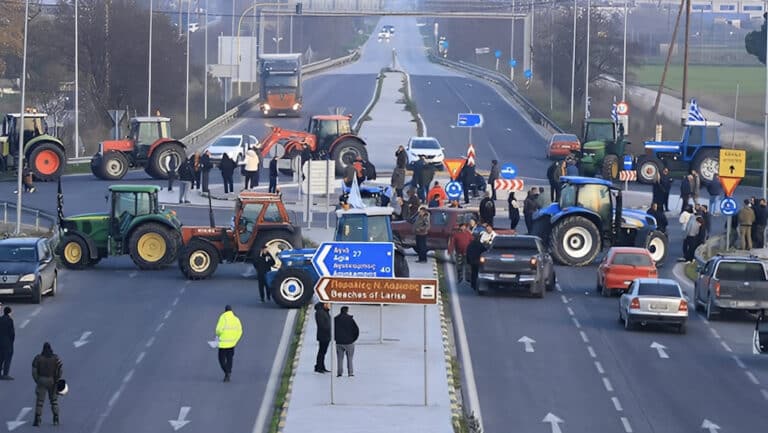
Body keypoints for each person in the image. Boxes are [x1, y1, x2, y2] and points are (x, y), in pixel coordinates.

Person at [31, 342, 62, 426]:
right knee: (54, 401)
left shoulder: (38, 358)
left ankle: (37, 419)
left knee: (40, 401)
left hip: (42, 380)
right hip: (52, 380)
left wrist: (38, 380)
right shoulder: (56, 358)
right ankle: (56, 418)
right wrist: (57, 379)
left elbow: (34, 372)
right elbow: (60, 370)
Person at [215, 305, 243, 382]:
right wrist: (235, 340)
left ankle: (226, 372)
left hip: (223, 344)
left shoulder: (223, 317)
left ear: (225, 310)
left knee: (221, 359)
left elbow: (218, 330)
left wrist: (218, 335)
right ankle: (228, 372)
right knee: (230, 359)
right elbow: (240, 331)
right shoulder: (236, 319)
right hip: (232, 343)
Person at [334, 306, 359, 377]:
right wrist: (353, 339)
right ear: (347, 311)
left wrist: (335, 338)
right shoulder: (350, 319)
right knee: (350, 358)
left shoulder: (336, 319)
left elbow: (332, 330)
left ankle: (339, 372)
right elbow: (356, 330)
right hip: (349, 342)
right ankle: (350, 372)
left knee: (339, 358)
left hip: (339, 342)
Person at [314, 302, 331, 374]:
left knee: (323, 352)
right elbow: (322, 324)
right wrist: (329, 328)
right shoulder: (320, 313)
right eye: (328, 304)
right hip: (323, 335)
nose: (329, 305)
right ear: (324, 304)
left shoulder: (325, 312)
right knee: (321, 351)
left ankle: (322, 366)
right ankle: (319, 367)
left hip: (326, 335)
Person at [0, 306, 14, 380]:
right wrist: (11, 342)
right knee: (7, 358)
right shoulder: (9, 320)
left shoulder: (0, 319)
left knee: (1, 358)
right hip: (7, 342)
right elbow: (12, 333)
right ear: (9, 312)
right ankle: (5, 374)